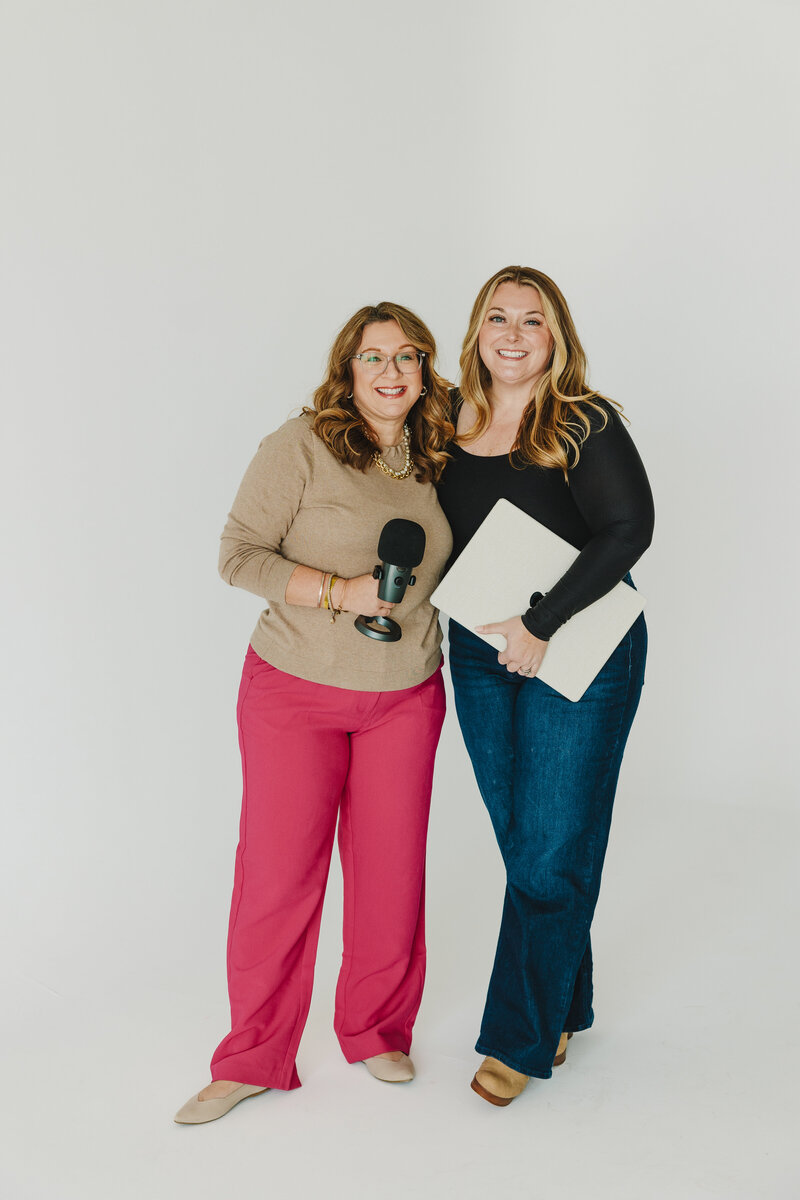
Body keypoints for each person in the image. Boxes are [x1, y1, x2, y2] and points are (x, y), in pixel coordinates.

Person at [174, 302, 453, 1124]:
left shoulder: (440, 453)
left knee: (392, 875)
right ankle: (254, 1055)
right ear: (348, 369)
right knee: (277, 878)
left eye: (408, 356)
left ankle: (375, 1030)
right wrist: (339, 592)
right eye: (374, 358)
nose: (391, 372)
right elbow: (237, 555)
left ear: (426, 368)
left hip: (405, 693)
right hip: (295, 689)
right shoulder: (296, 447)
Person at [437, 265, 654, 1107]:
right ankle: (567, 1000)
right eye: (499, 317)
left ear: (555, 336)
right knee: (531, 844)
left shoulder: (581, 420)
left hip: (582, 650)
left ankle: (520, 1040)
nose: (515, 333)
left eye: (534, 320)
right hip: (481, 657)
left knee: (551, 849)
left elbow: (630, 527)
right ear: (478, 330)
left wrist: (541, 622)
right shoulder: (445, 421)